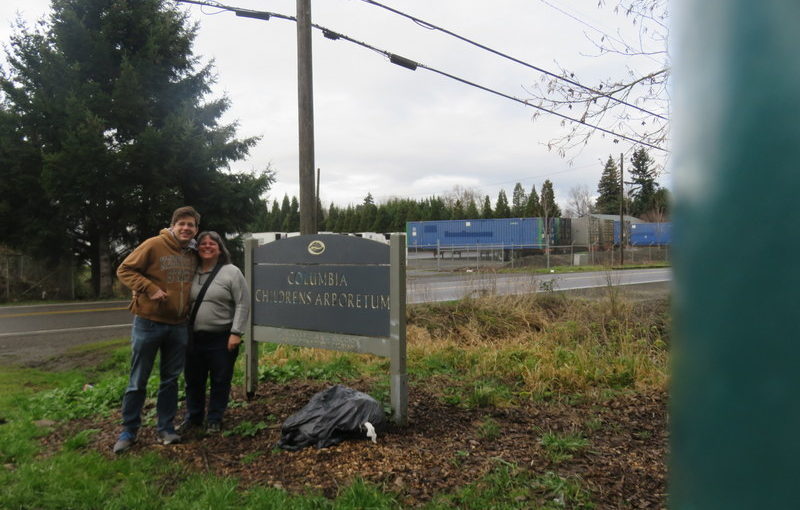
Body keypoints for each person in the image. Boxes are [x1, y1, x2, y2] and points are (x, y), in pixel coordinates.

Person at [113, 206, 200, 454]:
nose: (186, 228)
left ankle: (166, 428)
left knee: (170, 380)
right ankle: (129, 431)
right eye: (181, 223)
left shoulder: (192, 253)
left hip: (178, 325)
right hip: (148, 322)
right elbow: (125, 270)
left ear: (196, 230)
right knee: (137, 380)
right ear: (173, 225)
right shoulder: (153, 245)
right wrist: (149, 288)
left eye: (191, 225)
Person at [180, 231, 250, 434]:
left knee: (220, 380)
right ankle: (193, 417)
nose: (207, 246)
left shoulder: (231, 272)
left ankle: (214, 418)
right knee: (193, 380)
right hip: (192, 338)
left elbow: (243, 303)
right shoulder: (190, 271)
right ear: (197, 248)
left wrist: (236, 332)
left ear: (220, 249)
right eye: (203, 243)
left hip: (222, 337)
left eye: (212, 243)